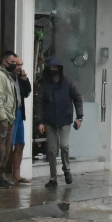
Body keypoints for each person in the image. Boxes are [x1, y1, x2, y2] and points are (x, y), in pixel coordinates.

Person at [35, 57, 83, 188]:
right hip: (50, 121)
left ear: (60, 69)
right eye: (50, 68)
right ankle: (53, 178)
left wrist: (79, 117)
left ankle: (66, 170)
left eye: (55, 67)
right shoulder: (44, 85)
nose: (53, 70)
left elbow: (77, 99)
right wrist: (39, 122)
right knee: (51, 150)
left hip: (65, 119)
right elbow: (39, 104)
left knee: (64, 145)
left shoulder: (68, 83)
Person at [0, 50, 23, 188]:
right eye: (13, 62)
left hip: (8, 117)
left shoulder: (7, 76)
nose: (15, 65)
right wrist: (2, 118)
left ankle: (0, 175)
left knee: (6, 148)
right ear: (5, 62)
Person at [9, 57, 32, 184]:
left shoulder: (19, 78)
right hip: (9, 113)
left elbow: (27, 92)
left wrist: (25, 80)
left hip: (19, 112)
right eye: (17, 65)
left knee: (20, 144)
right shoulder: (6, 77)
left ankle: (16, 174)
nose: (19, 67)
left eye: (21, 65)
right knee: (8, 145)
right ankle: (1, 174)